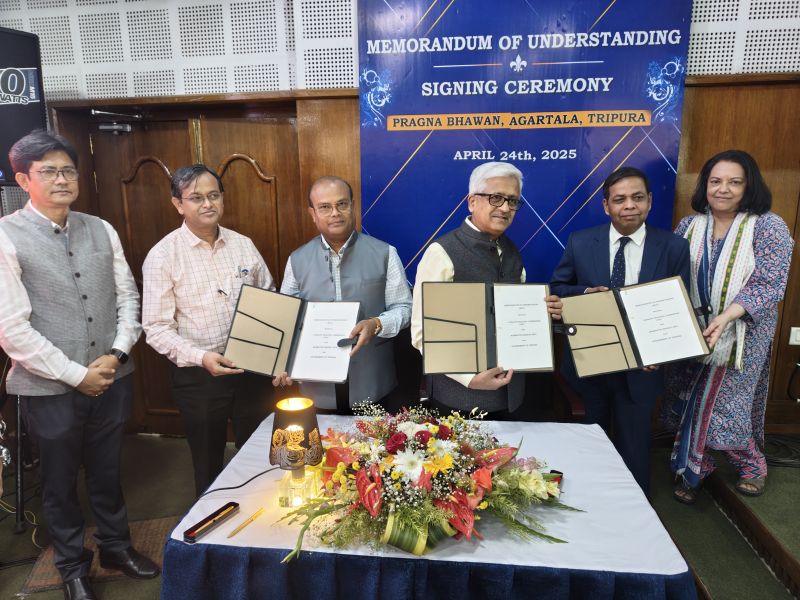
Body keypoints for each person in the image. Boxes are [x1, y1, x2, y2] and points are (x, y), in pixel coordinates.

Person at [0, 130, 158, 600]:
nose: (62, 179)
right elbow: (12, 328)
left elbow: (128, 297)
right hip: (48, 389)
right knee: (59, 481)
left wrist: (117, 354)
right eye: (48, 171)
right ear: (23, 179)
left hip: (113, 376)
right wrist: (76, 375)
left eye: (67, 170)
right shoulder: (6, 235)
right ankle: (71, 566)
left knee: (109, 470)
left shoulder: (100, 227)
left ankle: (115, 547)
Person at [550, 166, 690, 496]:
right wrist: (585, 295)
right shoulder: (581, 242)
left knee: (634, 451)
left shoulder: (673, 247)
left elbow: (679, 310)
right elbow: (558, 287)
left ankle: (636, 518)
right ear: (606, 206)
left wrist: (661, 352)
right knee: (587, 444)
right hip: (588, 362)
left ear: (650, 202)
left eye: (637, 198)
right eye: (620, 199)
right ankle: (584, 507)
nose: (629, 205)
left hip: (641, 369)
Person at [668, 150, 793, 504]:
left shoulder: (769, 226)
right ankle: (699, 466)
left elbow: (770, 283)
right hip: (691, 330)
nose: (723, 189)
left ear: (748, 185)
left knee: (725, 405)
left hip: (741, 336)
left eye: (734, 182)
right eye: (715, 181)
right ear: (705, 185)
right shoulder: (689, 225)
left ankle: (752, 465)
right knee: (689, 395)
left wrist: (727, 316)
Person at [142, 164, 275, 497]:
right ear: (177, 204)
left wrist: (275, 354)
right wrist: (201, 357)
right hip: (200, 376)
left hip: (251, 367)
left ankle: (260, 521)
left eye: (213, 195)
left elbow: (269, 298)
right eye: (196, 197)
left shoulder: (243, 245)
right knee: (207, 460)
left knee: (259, 452)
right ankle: (212, 526)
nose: (207, 204)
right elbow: (156, 328)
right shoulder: (162, 256)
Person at [411, 162, 563, 420]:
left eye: (513, 201)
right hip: (459, 400)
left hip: (512, 398)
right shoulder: (441, 252)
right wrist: (469, 378)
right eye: (496, 198)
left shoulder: (513, 252)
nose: (505, 208)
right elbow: (421, 332)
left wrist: (543, 313)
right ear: (472, 202)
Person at [273, 176, 412, 414]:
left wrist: (376, 323)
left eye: (342, 204)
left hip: (372, 381)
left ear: (353, 206)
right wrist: (281, 363)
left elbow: (404, 309)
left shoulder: (385, 253)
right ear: (312, 213)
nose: (335, 213)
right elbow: (286, 319)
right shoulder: (297, 259)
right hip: (316, 385)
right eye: (325, 207)